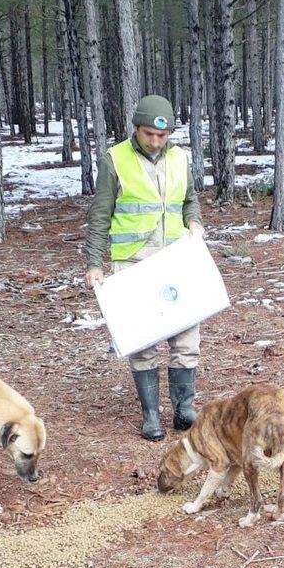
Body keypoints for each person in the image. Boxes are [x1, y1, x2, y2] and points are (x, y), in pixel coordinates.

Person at [85, 95, 205, 441]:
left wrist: (193, 221)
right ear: (135, 128)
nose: (155, 141)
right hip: (133, 261)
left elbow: (190, 199)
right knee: (143, 339)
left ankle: (184, 409)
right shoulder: (115, 159)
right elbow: (99, 215)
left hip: (176, 258)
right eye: (148, 134)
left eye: (161, 136)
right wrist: (94, 263)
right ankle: (151, 414)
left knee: (186, 334)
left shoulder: (181, 158)